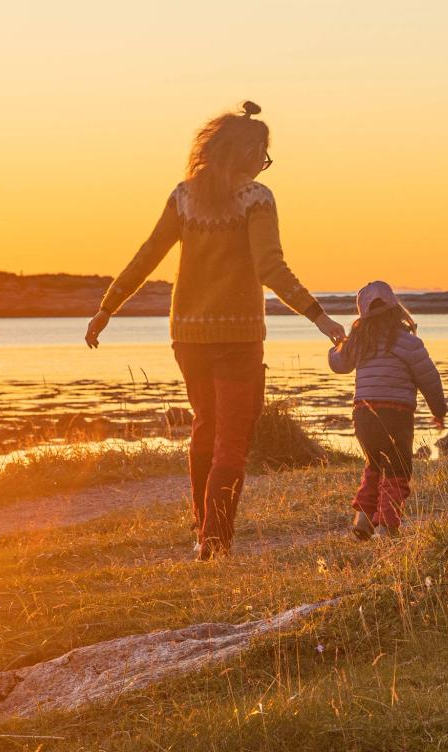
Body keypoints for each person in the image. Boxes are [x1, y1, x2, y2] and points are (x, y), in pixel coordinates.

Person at [85, 101, 345, 559]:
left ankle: (203, 531)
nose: (263, 164)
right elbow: (271, 267)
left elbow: (147, 255)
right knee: (231, 437)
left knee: (205, 428)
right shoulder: (256, 198)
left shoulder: (184, 196)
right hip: (239, 336)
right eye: (262, 154)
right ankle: (216, 539)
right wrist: (319, 316)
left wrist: (107, 307)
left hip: (187, 336)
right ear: (248, 152)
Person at [327, 280, 445, 539]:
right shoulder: (409, 343)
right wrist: (439, 410)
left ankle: (364, 518)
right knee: (397, 469)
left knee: (374, 464)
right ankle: (386, 527)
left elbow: (338, 364)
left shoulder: (359, 342)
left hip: (364, 414)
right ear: (397, 310)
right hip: (397, 414)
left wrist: (336, 345)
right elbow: (429, 379)